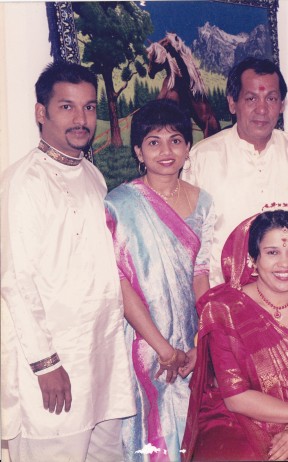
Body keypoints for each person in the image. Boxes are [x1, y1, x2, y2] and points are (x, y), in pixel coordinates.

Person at [0, 61, 135, 461]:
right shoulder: (23, 182)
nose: (82, 119)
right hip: (53, 368)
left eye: (90, 108)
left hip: (102, 361)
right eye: (67, 107)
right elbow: (15, 281)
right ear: (41, 112)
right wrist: (46, 365)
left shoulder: (92, 175)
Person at [181, 210, 288, 461]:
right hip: (234, 422)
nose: (284, 264)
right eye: (272, 253)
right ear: (253, 259)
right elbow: (236, 398)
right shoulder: (224, 309)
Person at [104, 99, 215, 461]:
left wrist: (202, 342)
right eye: (154, 142)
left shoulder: (204, 202)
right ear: (138, 150)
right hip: (141, 340)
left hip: (191, 339)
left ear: (187, 148)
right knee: (148, 436)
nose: (166, 151)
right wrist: (162, 347)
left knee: (190, 433)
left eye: (176, 140)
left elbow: (202, 275)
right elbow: (119, 282)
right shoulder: (120, 204)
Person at [181, 57, 288, 287]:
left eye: (271, 98)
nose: (262, 109)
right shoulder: (202, 158)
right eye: (251, 98)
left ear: (282, 105)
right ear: (232, 103)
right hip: (223, 300)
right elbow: (189, 244)